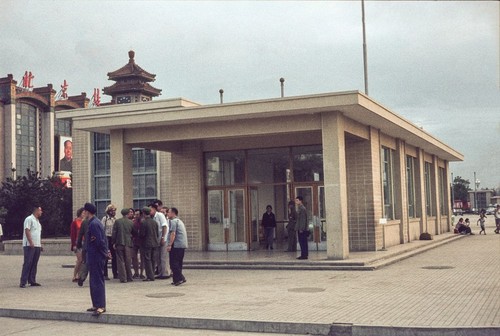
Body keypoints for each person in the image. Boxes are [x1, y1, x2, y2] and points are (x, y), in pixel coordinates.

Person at [84, 202, 108, 316]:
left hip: (96, 256)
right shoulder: (93, 222)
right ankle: (96, 304)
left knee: (97, 281)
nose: (83, 213)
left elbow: (99, 241)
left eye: (84, 211)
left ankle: (101, 306)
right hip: (93, 256)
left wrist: (104, 253)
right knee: (93, 281)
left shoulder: (94, 224)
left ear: (87, 212)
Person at [19, 206, 43, 288]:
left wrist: (39, 244)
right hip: (29, 245)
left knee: (34, 263)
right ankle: (23, 281)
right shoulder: (29, 219)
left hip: (37, 245)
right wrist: (31, 242)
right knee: (28, 262)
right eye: (40, 210)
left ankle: (32, 280)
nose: (41, 212)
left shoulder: (38, 221)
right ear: (36, 210)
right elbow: (27, 230)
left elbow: (37, 234)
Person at [112, 208, 136, 283]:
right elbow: (134, 233)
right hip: (128, 243)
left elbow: (114, 233)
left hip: (119, 243)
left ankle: (123, 278)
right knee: (128, 261)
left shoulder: (117, 221)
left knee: (120, 261)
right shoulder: (131, 222)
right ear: (127, 213)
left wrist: (113, 242)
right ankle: (129, 277)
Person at [166, 207, 188, 286]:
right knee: (179, 263)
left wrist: (169, 245)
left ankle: (181, 278)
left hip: (176, 245)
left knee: (173, 263)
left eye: (168, 212)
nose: (167, 214)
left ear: (173, 213)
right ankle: (176, 279)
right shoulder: (179, 221)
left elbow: (173, 233)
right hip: (182, 245)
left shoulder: (173, 221)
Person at [149, 202, 170, 280]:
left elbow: (164, 226)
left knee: (163, 256)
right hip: (156, 240)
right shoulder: (151, 217)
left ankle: (165, 273)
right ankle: (160, 272)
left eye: (150, 209)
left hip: (163, 238)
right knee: (157, 257)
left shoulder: (160, 215)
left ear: (154, 209)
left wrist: (163, 238)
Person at [139, 207, 159, 281]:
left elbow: (142, 234)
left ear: (144, 213)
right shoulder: (155, 222)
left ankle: (150, 276)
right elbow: (157, 233)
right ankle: (152, 274)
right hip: (155, 243)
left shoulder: (144, 222)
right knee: (153, 260)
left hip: (147, 243)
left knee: (147, 260)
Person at [101, 204, 117, 280]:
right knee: (106, 256)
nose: (113, 212)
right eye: (112, 210)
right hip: (106, 238)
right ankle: (105, 274)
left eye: (114, 210)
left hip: (113, 238)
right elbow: (102, 228)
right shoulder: (105, 219)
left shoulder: (115, 219)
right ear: (109, 211)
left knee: (114, 256)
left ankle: (115, 273)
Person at [70, 207, 85, 282]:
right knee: (79, 259)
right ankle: (74, 275)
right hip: (77, 242)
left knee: (82, 260)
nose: (84, 214)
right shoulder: (75, 222)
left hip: (83, 241)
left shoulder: (84, 222)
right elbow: (72, 234)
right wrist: (74, 245)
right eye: (83, 213)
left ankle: (80, 275)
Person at [131, 208, 144, 279]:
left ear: (141, 215)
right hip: (135, 241)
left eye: (137, 214)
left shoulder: (143, 222)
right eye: (135, 214)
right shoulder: (133, 222)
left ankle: (141, 273)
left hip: (142, 242)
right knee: (134, 257)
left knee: (142, 258)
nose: (136, 216)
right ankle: (136, 272)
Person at [76, 218, 89, 287]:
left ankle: (81, 277)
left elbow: (80, 234)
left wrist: (78, 244)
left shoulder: (84, 222)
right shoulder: (96, 222)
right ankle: (94, 279)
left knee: (85, 262)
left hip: (86, 245)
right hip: (93, 246)